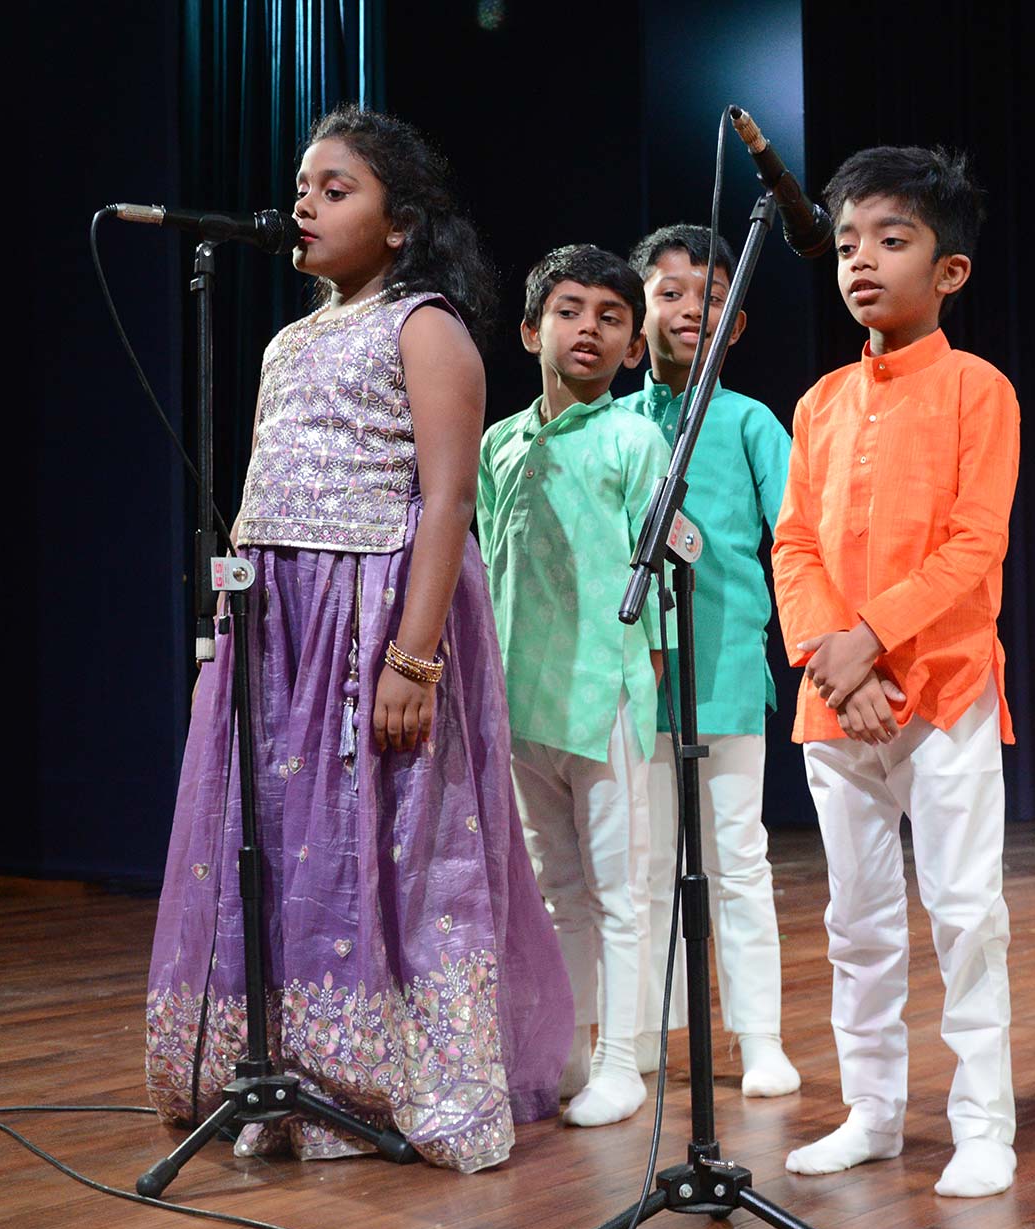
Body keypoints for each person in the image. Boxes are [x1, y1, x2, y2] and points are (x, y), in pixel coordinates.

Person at [145, 106, 572, 1172]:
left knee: (390, 839)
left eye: (336, 191)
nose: (305, 205)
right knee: (284, 842)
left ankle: (393, 1073)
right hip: (278, 624)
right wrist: (227, 634)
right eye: (303, 188)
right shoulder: (289, 340)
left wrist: (412, 657)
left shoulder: (422, 323)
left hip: (372, 614)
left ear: (400, 223)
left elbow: (448, 498)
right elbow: (260, 498)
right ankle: (287, 1069)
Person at [770, 145, 1020, 1197]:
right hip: (839, 703)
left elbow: (975, 543)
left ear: (949, 269)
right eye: (846, 243)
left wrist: (869, 638)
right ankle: (871, 1111)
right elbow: (794, 543)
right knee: (856, 920)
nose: (861, 261)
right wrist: (838, 663)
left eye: (891, 239)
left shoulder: (978, 388)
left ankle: (985, 1124)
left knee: (964, 910)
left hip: (946, 692)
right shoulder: (820, 401)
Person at [477, 244, 668, 1128]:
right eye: (569, 310)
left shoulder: (636, 437)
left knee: (619, 888)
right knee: (557, 886)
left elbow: (659, 574)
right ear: (530, 330)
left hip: (605, 692)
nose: (588, 328)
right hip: (523, 698)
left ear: (634, 347)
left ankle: (624, 1060)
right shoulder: (499, 443)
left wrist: (649, 676)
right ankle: (573, 1045)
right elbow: (489, 565)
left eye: (611, 316)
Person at [618, 224, 799, 1099]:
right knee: (647, 864)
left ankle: (759, 1037)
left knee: (737, 859)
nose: (691, 308)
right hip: (631, 681)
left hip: (723, 672)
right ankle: (651, 1034)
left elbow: (797, 536)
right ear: (638, 312)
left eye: (712, 295)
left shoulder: (751, 420)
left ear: (737, 323)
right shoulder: (616, 423)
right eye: (670, 292)